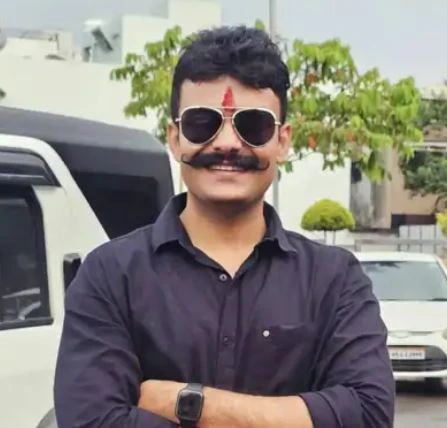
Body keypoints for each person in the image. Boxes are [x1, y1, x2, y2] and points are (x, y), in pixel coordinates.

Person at [53, 25, 395, 428]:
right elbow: (91, 420)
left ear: (282, 141)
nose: (228, 143)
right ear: (174, 138)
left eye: (254, 125)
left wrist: (186, 402)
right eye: (203, 123)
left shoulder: (334, 279)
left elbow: (369, 415)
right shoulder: (110, 275)